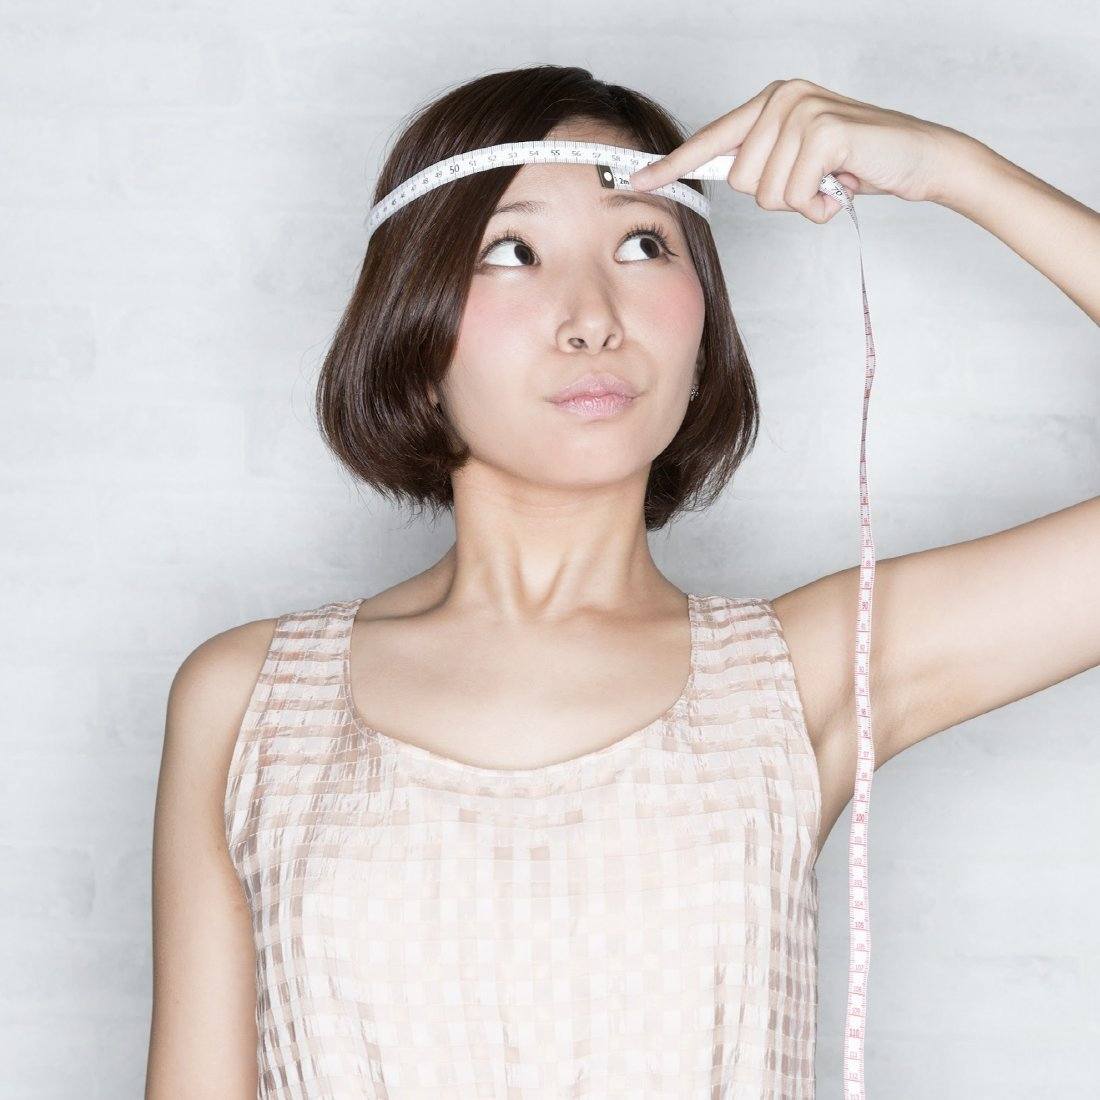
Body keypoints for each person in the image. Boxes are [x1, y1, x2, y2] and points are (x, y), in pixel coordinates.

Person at [145, 65, 1100, 1099]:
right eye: (510, 252)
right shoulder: (250, 700)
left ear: (702, 331)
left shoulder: (801, 676)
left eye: (642, 245)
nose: (591, 315)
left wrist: (955, 170)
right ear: (411, 328)